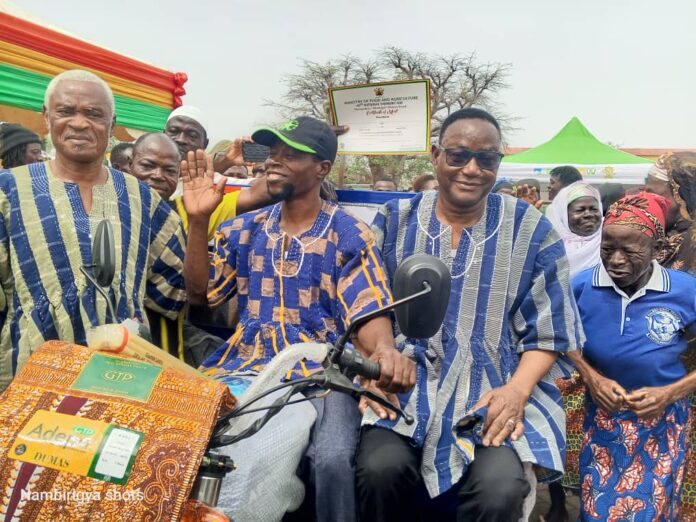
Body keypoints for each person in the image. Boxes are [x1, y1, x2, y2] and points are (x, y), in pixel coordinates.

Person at [182, 116, 415, 522]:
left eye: (290, 155)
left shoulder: (349, 234)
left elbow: (369, 307)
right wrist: (200, 220)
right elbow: (201, 294)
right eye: (272, 153)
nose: (274, 162)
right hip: (247, 363)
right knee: (188, 439)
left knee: (331, 459)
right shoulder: (243, 229)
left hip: (322, 372)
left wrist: (383, 351)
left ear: (321, 169)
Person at [356, 108, 584, 522]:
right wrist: (383, 355)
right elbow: (367, 302)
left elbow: (548, 332)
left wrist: (517, 392)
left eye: (487, 159)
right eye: (459, 155)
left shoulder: (530, 229)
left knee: (501, 490)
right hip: (404, 383)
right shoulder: (395, 218)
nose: (472, 169)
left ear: (499, 162)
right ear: (435, 155)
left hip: (495, 387)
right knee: (378, 470)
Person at [0, 69, 186, 391]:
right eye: (65, 111)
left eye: (94, 114)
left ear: (112, 126)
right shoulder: (7, 192)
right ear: (47, 117)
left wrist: (197, 221)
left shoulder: (143, 199)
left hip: (123, 377)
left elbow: (177, 291)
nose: (79, 123)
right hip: (32, 377)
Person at [566, 192, 696, 520]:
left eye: (630, 250)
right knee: (598, 511)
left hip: (663, 424)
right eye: (607, 250)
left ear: (658, 250)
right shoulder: (582, 287)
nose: (616, 261)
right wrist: (590, 376)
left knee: (654, 512)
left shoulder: (685, 291)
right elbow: (556, 337)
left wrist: (671, 392)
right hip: (601, 422)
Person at [645, 153, 696, 274]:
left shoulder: (692, 243)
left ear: (680, 196)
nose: (646, 200)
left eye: (653, 194)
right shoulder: (656, 235)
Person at [547, 182, 603, 278]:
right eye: (580, 210)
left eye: (594, 209)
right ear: (564, 215)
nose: (588, 214)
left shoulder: (610, 240)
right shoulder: (552, 247)